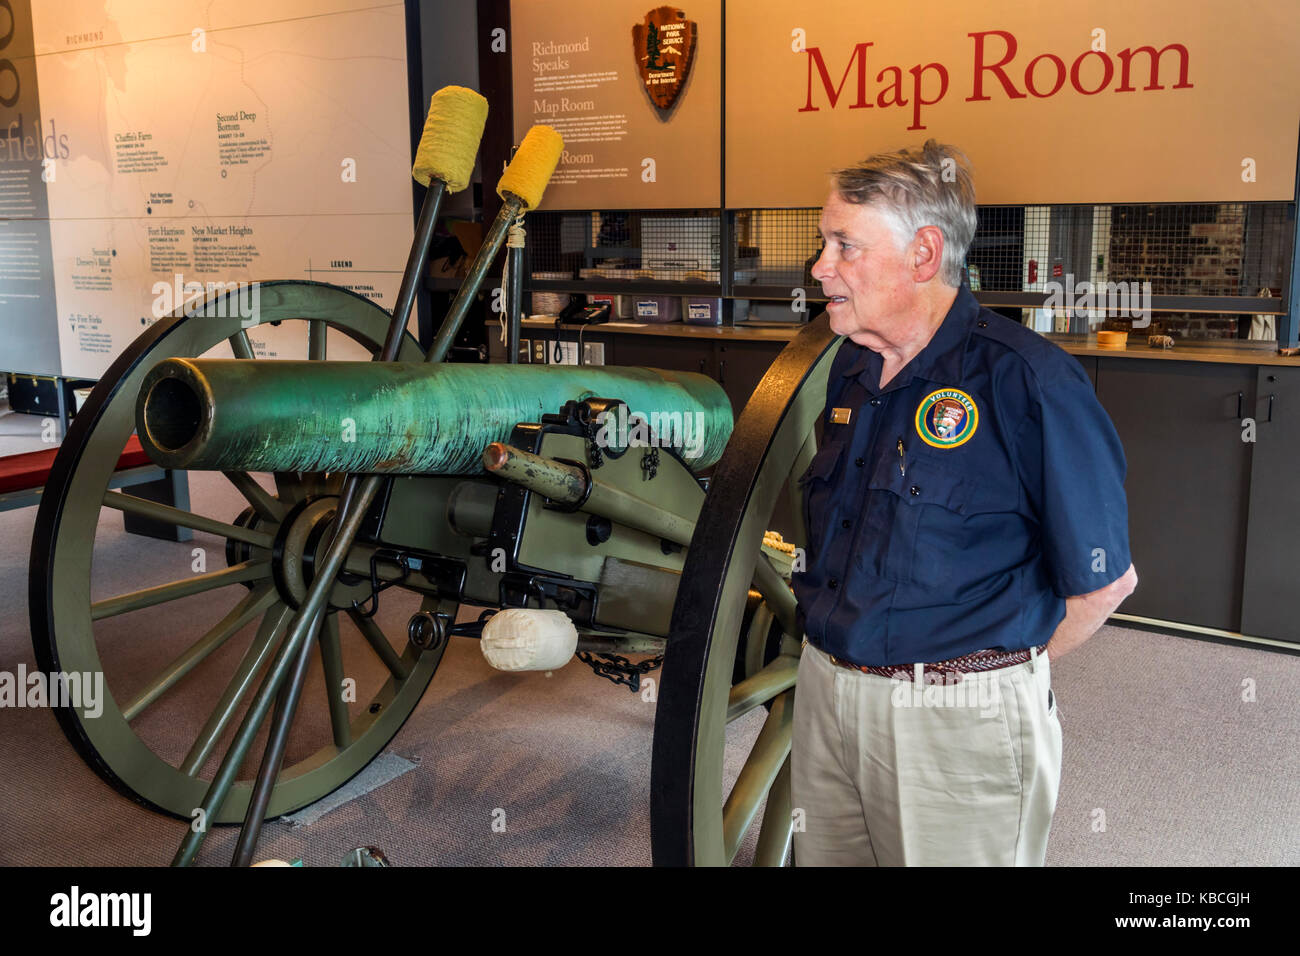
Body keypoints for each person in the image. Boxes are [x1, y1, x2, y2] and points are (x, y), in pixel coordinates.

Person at [790, 140, 1137, 866]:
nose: (821, 267)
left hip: (952, 725)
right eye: (825, 243)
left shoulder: (1030, 383)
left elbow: (1104, 584)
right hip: (826, 696)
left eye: (844, 246)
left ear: (922, 255)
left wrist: (985, 682)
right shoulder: (851, 365)